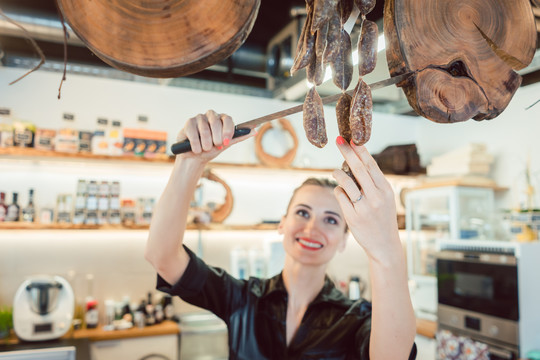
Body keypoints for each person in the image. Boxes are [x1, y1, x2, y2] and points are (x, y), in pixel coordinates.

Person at [145, 110, 417, 359]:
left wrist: (386, 251)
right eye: (302, 213)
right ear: (282, 224)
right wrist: (189, 163)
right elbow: (163, 258)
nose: (311, 228)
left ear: (345, 239)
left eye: (331, 220)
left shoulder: (357, 317)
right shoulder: (244, 298)